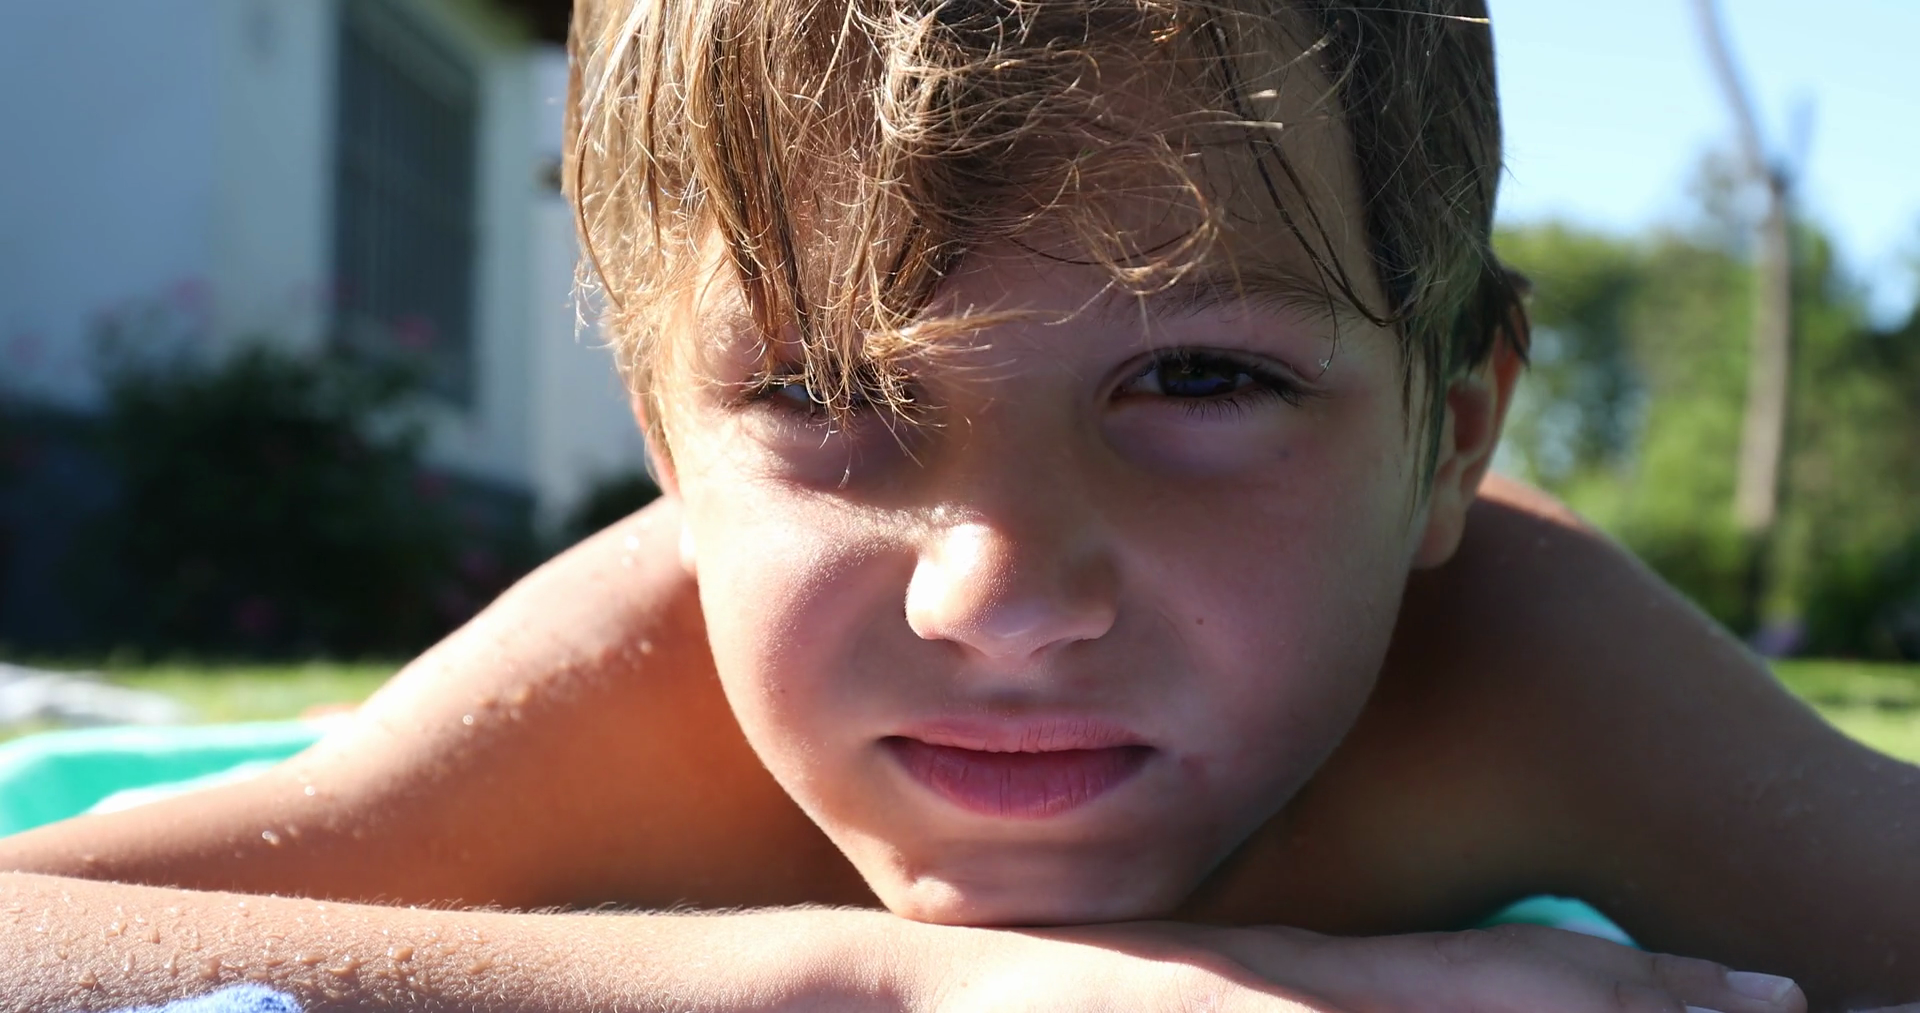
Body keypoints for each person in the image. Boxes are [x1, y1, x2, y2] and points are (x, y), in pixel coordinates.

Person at [5, 0, 1918, 1009]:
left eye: (1202, 379)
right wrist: (882, 986)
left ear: (1452, 439)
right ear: (668, 444)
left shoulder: (1520, 675)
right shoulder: (626, 696)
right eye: (829, 394)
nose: (999, 599)